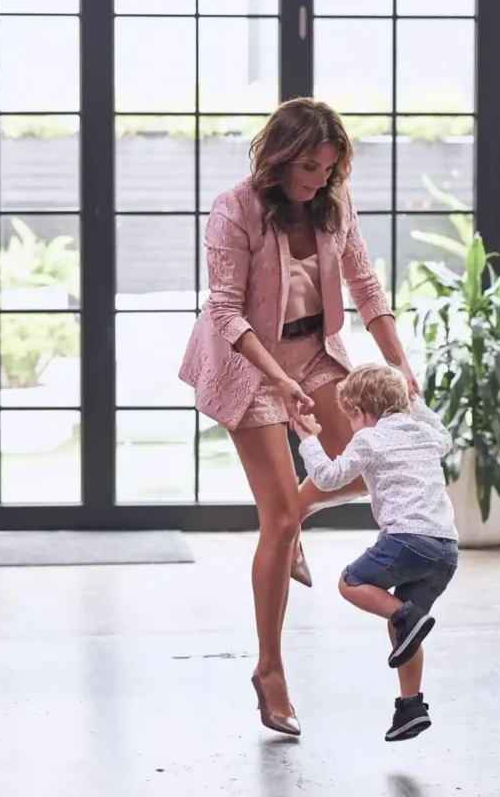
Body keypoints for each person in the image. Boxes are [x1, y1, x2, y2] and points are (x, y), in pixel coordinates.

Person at [179, 98, 419, 737]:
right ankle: (270, 670)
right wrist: (279, 381)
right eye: (309, 166)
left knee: (368, 469)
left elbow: (366, 287)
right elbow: (226, 311)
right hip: (249, 361)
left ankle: (292, 519)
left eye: (330, 168)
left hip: (314, 352)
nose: (319, 179)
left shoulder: (335, 206)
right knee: (278, 518)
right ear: (281, 157)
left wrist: (398, 366)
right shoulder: (236, 207)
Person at [292, 364, 458, 743]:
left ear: (360, 412)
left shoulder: (370, 439)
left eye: (350, 418)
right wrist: (416, 404)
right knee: (404, 632)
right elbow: (446, 435)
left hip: (406, 540)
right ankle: (410, 707)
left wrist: (308, 438)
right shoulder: (426, 434)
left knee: (350, 582)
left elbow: (328, 477)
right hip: (446, 551)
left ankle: (406, 614)